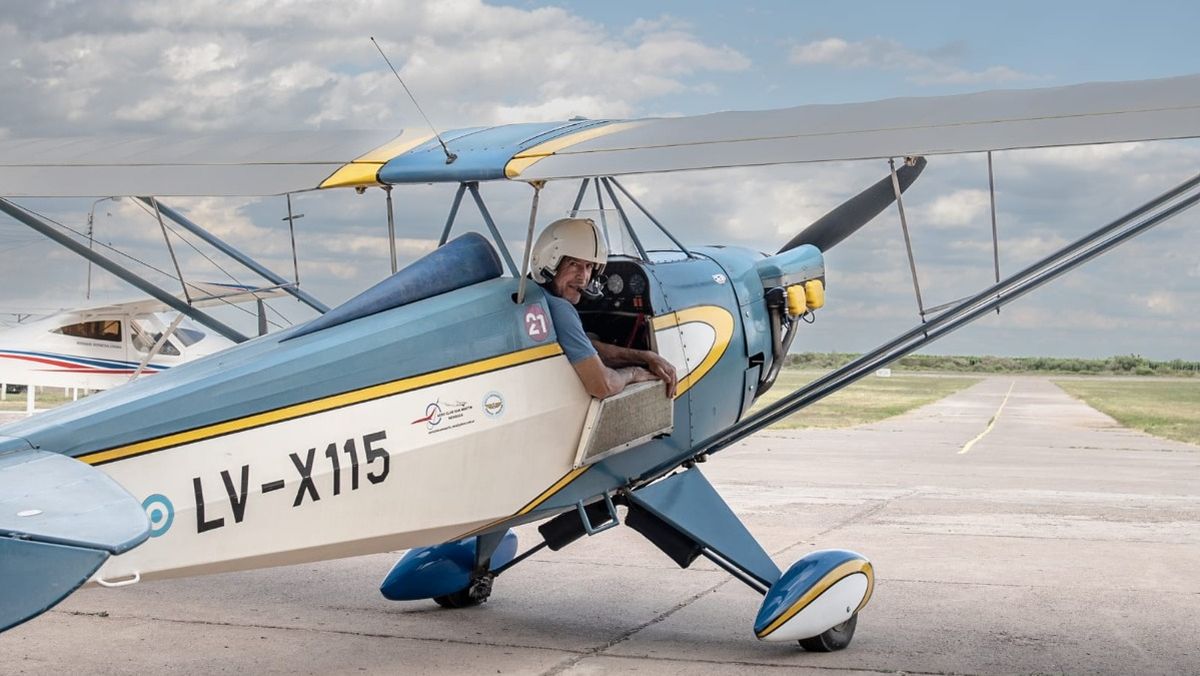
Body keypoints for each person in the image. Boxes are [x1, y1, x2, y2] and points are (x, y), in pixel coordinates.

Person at [531, 217, 677, 399]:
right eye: (573, 264)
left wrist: (645, 357)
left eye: (589, 266)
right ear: (549, 262)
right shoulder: (559, 309)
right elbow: (603, 386)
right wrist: (633, 373)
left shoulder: (532, 294)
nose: (583, 277)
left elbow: (584, 347)